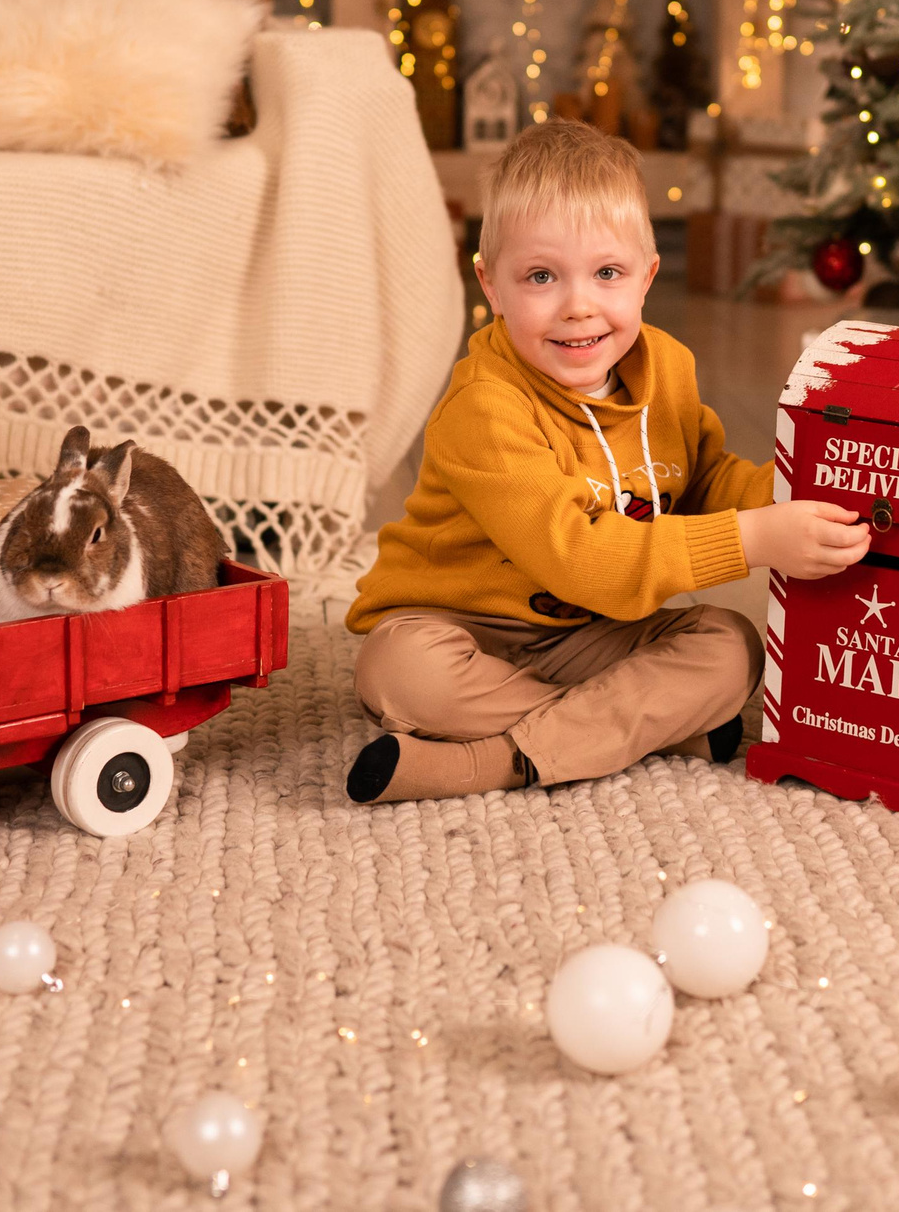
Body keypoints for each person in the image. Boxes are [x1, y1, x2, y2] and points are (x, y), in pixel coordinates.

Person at [344, 119, 870, 803]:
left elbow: (708, 478)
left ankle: (517, 750)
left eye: (607, 273)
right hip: (463, 625)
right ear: (490, 284)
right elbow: (581, 558)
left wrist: (792, 495)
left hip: (590, 635)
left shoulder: (668, 368)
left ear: (646, 277)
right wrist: (758, 541)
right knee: (402, 672)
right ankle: (611, 730)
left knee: (732, 648)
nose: (578, 306)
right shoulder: (485, 406)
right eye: (540, 276)